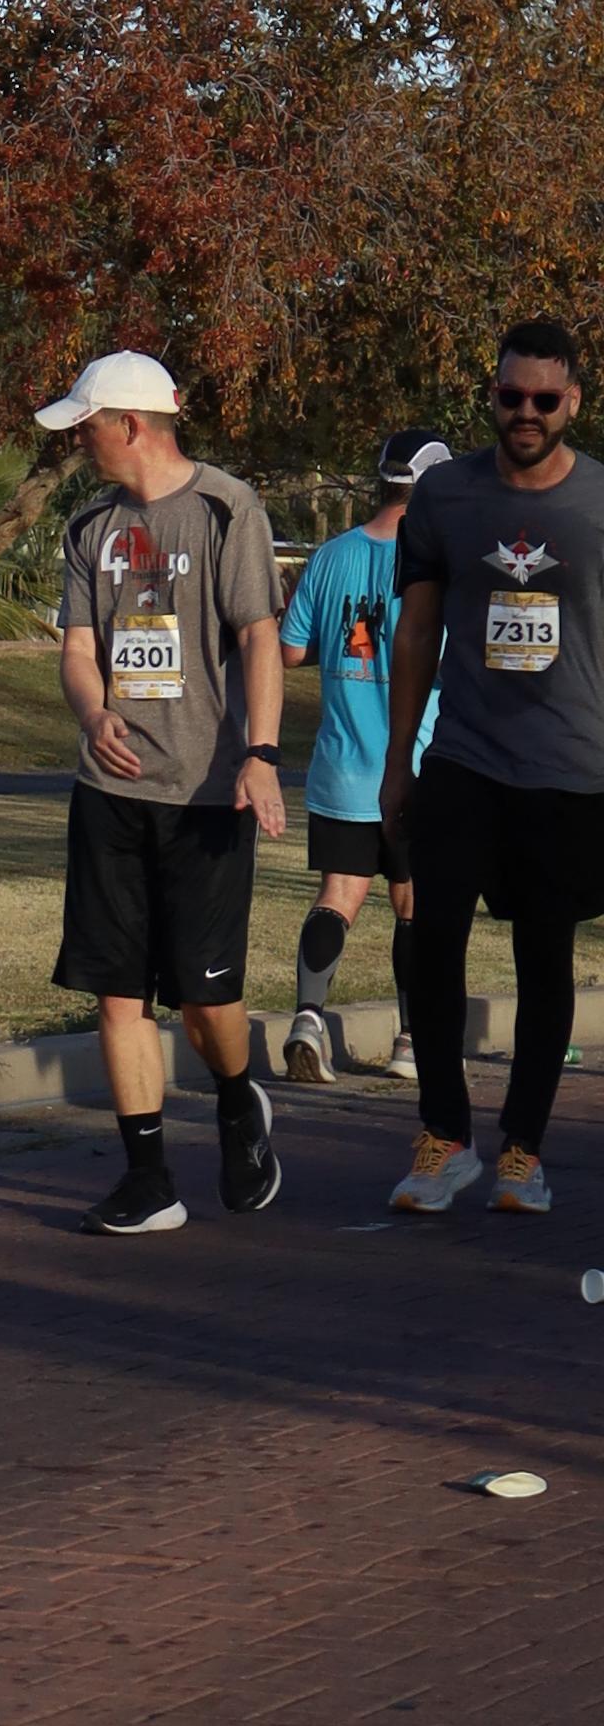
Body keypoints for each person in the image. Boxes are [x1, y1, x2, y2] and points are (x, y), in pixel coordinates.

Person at [41, 351, 289, 1234]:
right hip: (109, 791)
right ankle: (148, 1180)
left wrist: (260, 754)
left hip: (206, 795)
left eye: (87, 427)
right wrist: (93, 711)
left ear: (131, 425)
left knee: (204, 1003)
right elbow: (78, 648)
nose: (80, 442)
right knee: (117, 992)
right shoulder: (89, 527)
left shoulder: (227, 507)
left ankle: (237, 1099)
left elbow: (259, 636)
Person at [383, 317, 604, 1218]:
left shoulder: (600, 501)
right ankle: (444, 1138)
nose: (527, 412)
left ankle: (523, 1150)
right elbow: (415, 632)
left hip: (570, 769)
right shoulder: (446, 496)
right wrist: (397, 762)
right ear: (492, 396)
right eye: (512, 395)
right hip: (464, 757)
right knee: (430, 941)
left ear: (573, 402)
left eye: (545, 399)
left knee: (543, 956)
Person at [278, 430, 451, 1086]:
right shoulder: (438, 565)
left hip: (342, 767)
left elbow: (291, 649)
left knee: (338, 896)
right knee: (413, 903)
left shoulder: (331, 555)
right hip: (417, 766)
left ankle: (307, 1019)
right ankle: (410, 1040)